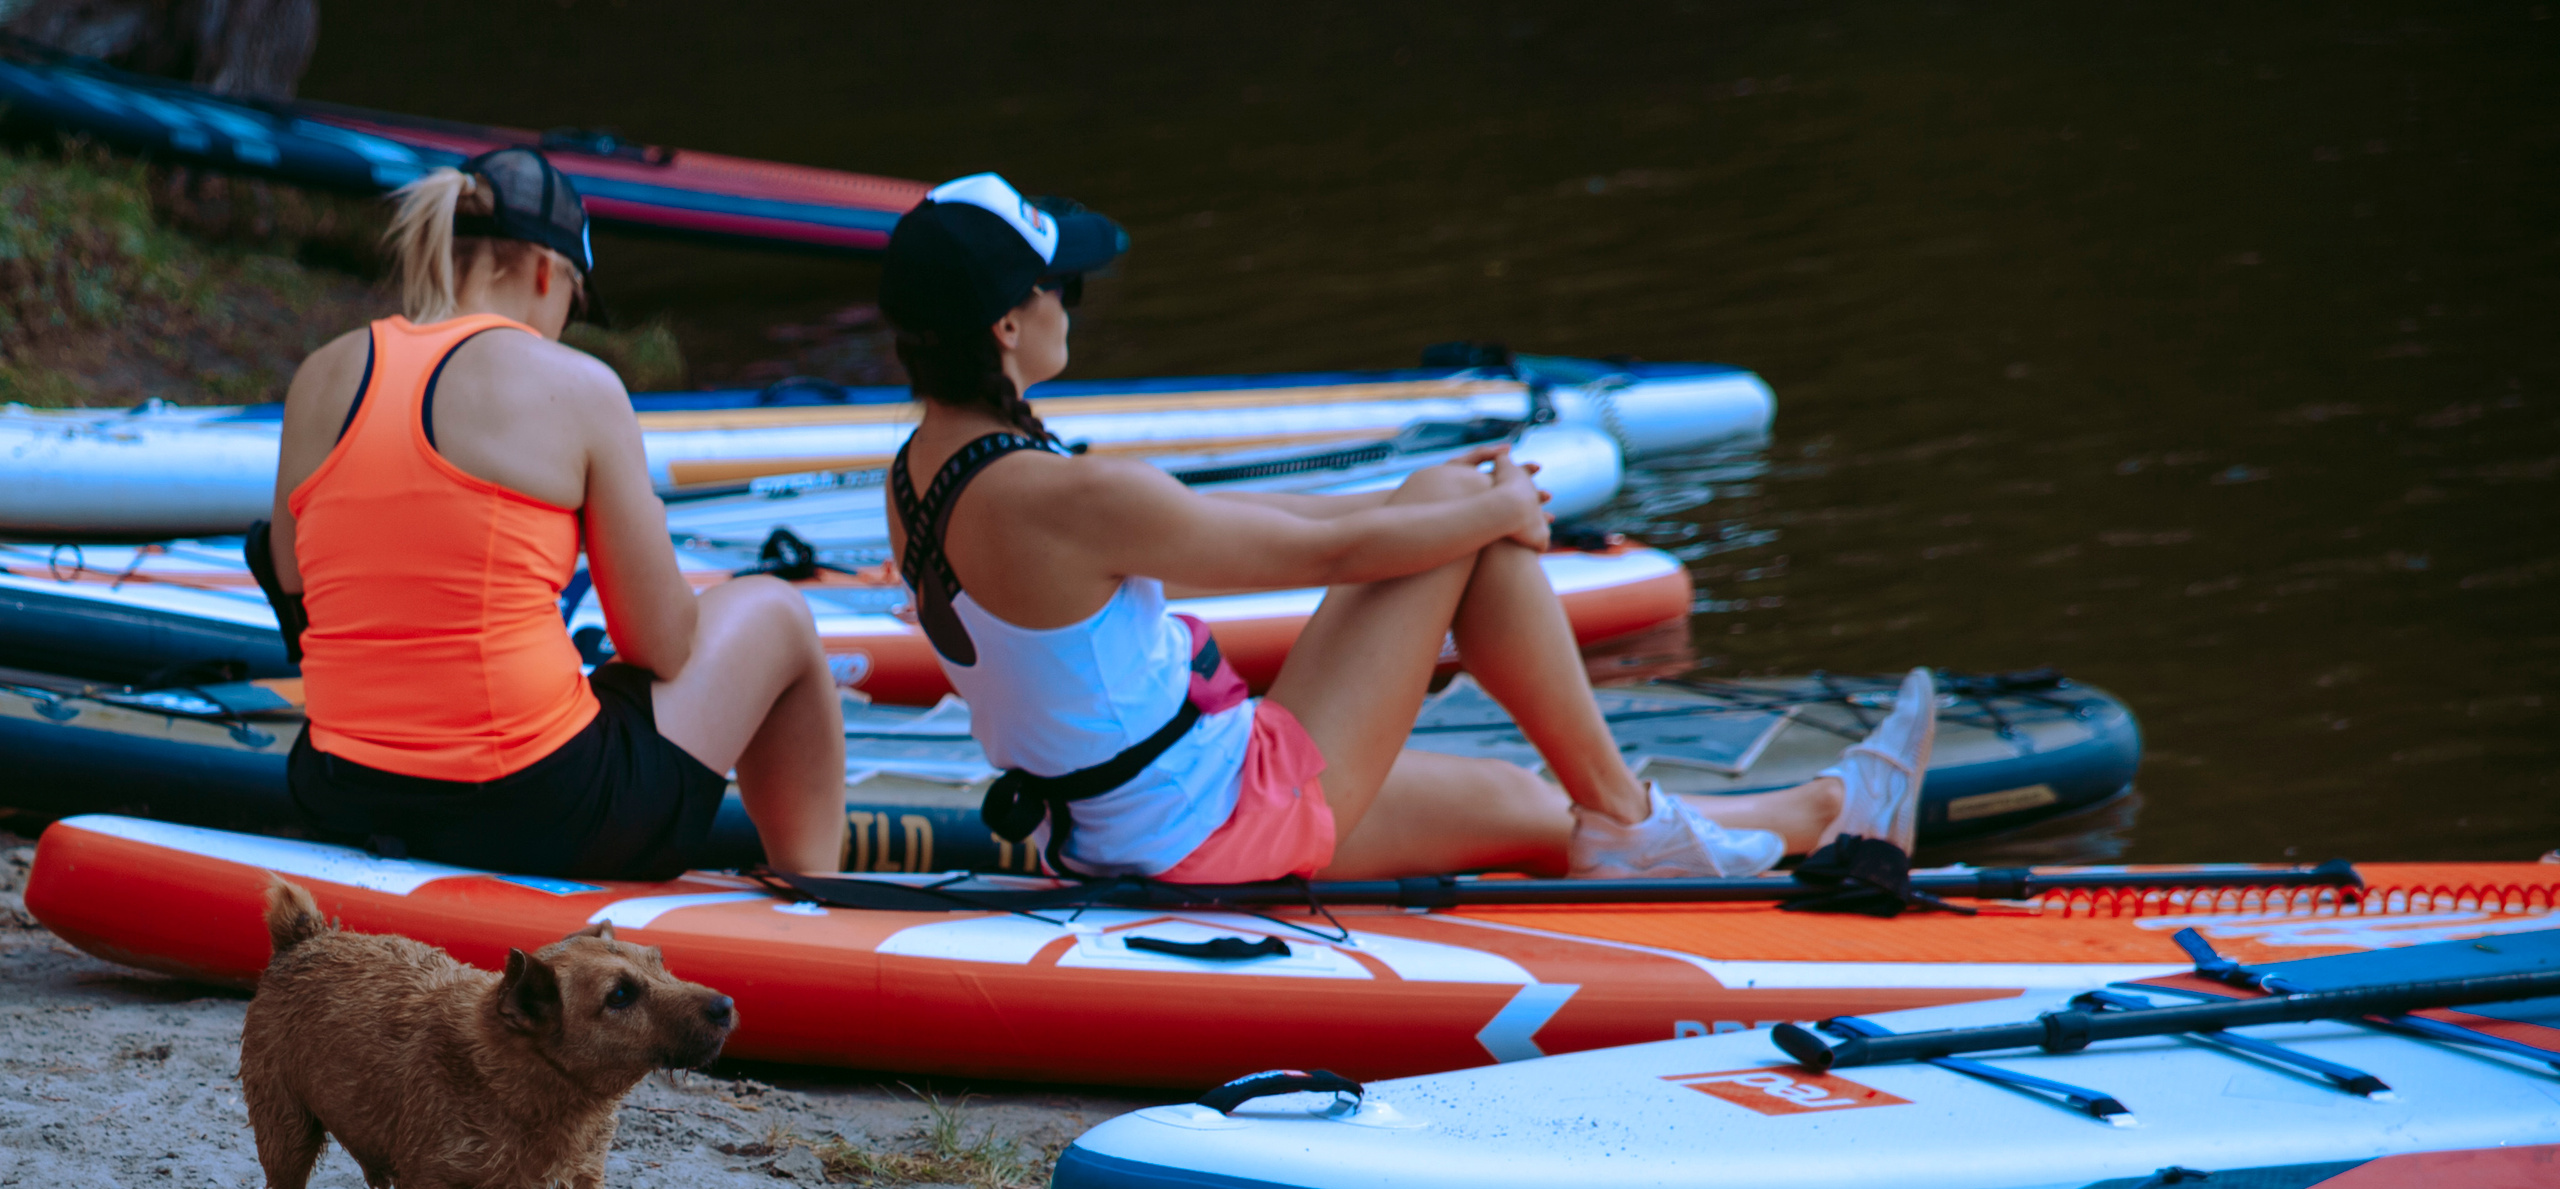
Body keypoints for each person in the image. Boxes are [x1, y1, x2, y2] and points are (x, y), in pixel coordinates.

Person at [879, 173, 1936, 884]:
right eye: (1059, 286)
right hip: (1213, 818)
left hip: (1136, 823)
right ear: (1009, 325)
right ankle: (1627, 815)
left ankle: (1823, 811)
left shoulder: (921, 478)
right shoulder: (1067, 496)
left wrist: (1430, 496)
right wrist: (1496, 508)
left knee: (1526, 805)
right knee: (1457, 527)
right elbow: (1325, 558)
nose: (1075, 302)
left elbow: (1239, 521)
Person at [261, 147, 845, 878]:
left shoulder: (321, 373)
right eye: (574, 298)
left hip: (338, 789)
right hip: (534, 809)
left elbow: (295, 575)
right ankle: (816, 892)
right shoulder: (578, 386)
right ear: (547, 270)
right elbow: (662, 646)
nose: (568, 323)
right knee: (778, 612)